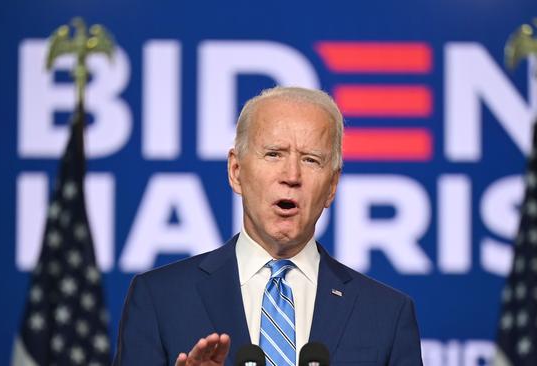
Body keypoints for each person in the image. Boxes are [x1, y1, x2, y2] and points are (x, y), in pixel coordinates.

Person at [113, 86, 422, 366]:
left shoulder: (386, 315)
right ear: (236, 171)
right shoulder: (160, 299)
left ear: (332, 186)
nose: (292, 175)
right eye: (273, 154)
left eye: (311, 160)